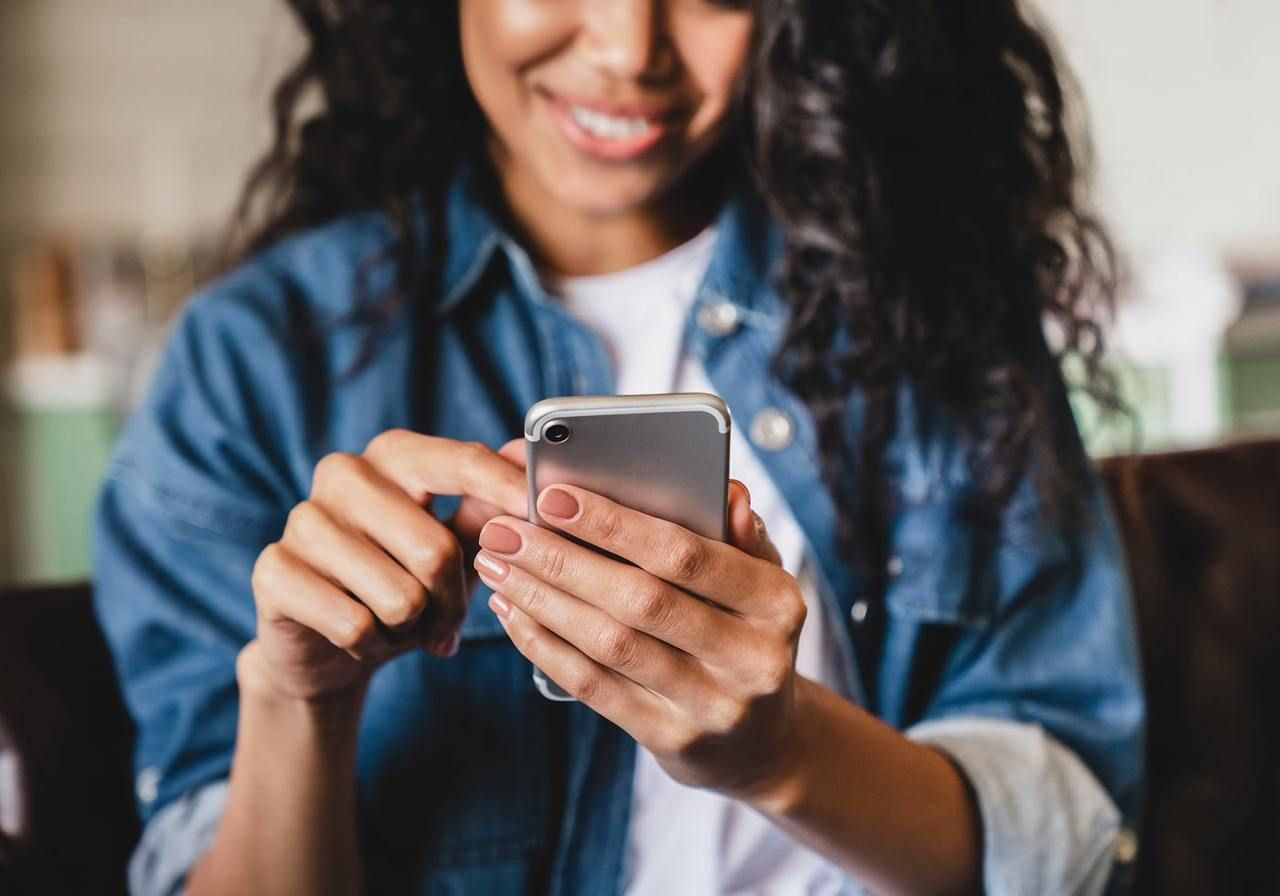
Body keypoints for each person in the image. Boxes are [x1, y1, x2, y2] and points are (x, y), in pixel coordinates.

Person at [92, 2, 1144, 894]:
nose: (627, 47)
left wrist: (780, 753)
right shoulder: (255, 362)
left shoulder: (932, 309)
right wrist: (298, 701)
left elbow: (1068, 832)